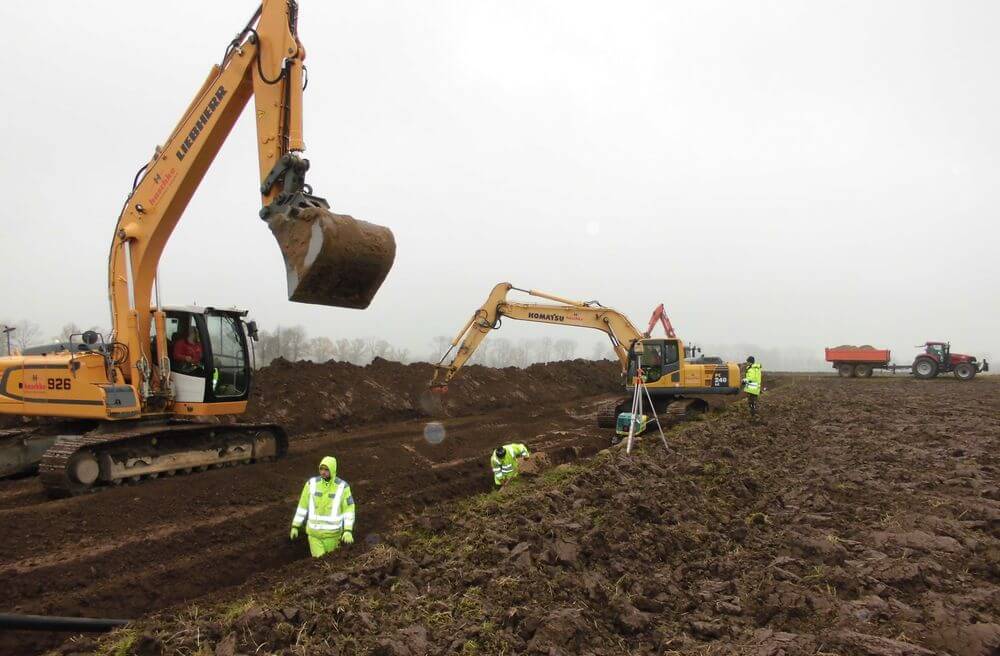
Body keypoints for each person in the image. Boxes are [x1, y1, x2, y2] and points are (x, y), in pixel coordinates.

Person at [290, 456, 356, 558]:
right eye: (321, 469)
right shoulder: (311, 484)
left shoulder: (343, 487)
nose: (323, 472)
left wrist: (348, 530)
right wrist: (295, 526)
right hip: (314, 535)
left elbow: (349, 509)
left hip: (333, 536)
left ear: (333, 470)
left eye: (326, 469)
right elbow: (302, 506)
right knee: (319, 564)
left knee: (332, 564)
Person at [742, 356, 762, 420]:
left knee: (752, 402)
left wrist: (744, 380)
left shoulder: (753, 369)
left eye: (747, 361)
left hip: (753, 389)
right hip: (753, 389)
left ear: (750, 362)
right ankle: (753, 414)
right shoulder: (753, 368)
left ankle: (754, 415)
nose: (747, 363)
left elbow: (752, 378)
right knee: (751, 402)